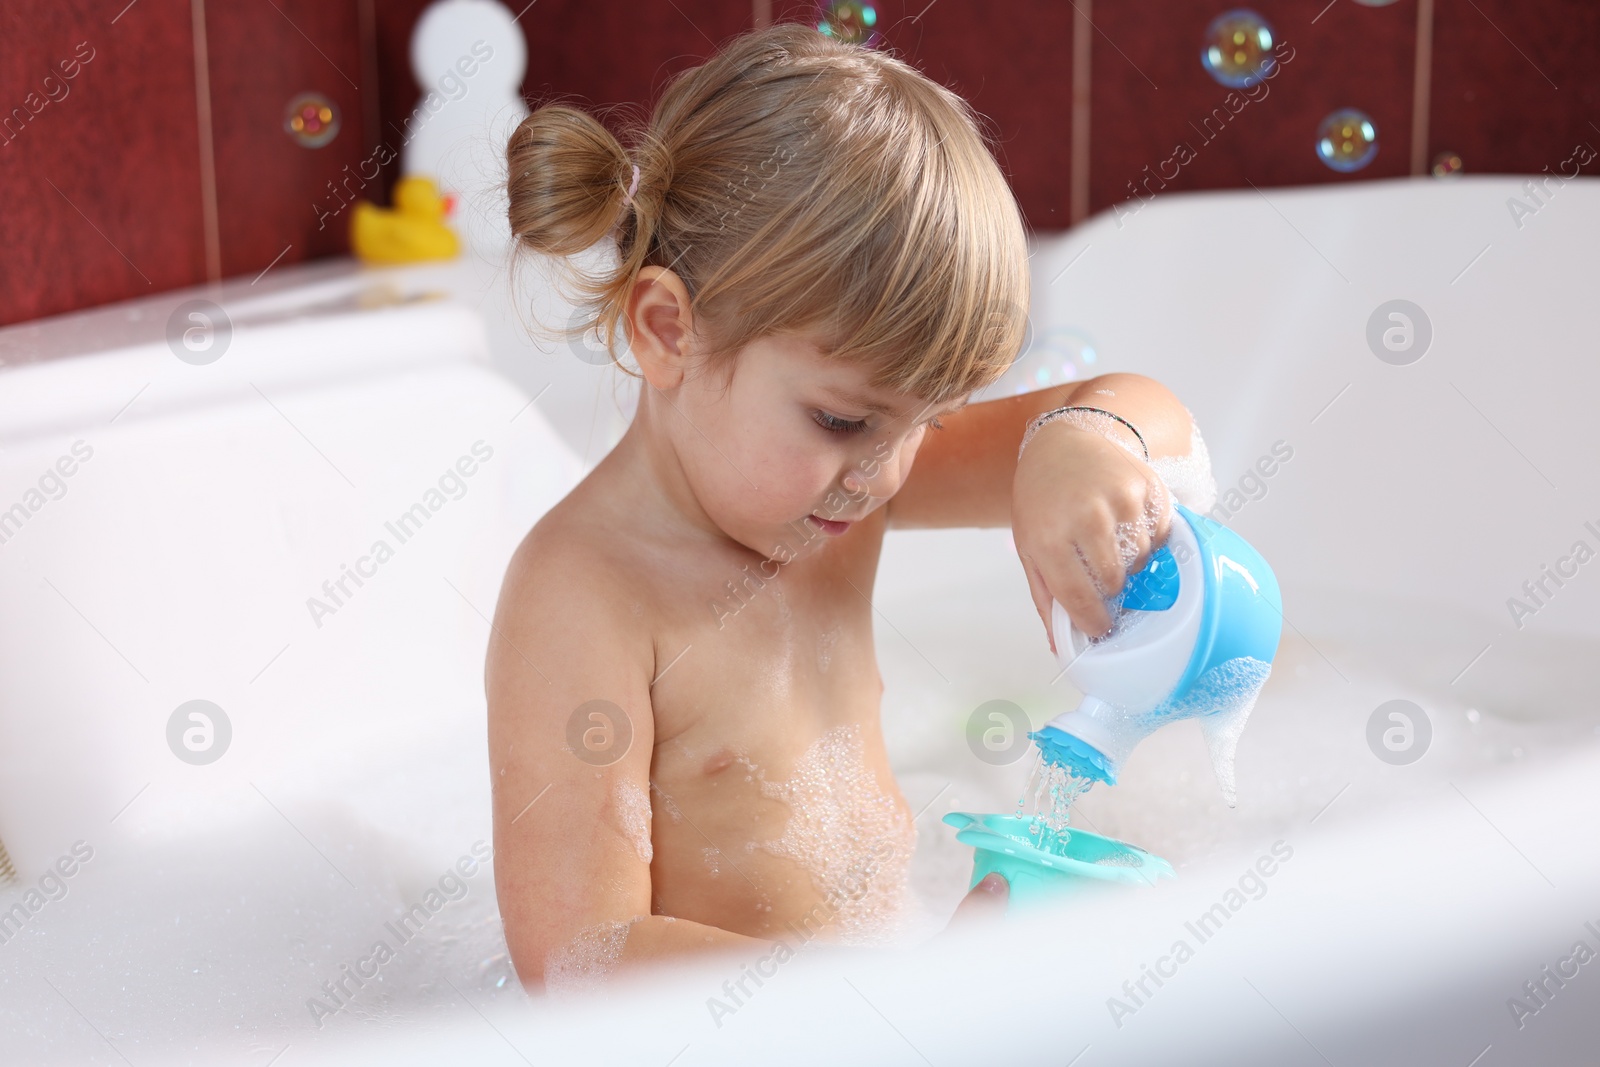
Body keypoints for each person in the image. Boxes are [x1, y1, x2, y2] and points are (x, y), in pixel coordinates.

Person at [487, 21, 1202, 994]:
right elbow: (578, 956)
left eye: (926, 420)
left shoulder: (839, 482)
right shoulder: (585, 594)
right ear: (667, 332)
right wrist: (875, 1000)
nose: (885, 469)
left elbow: (1155, 415)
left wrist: (1078, 445)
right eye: (841, 418)